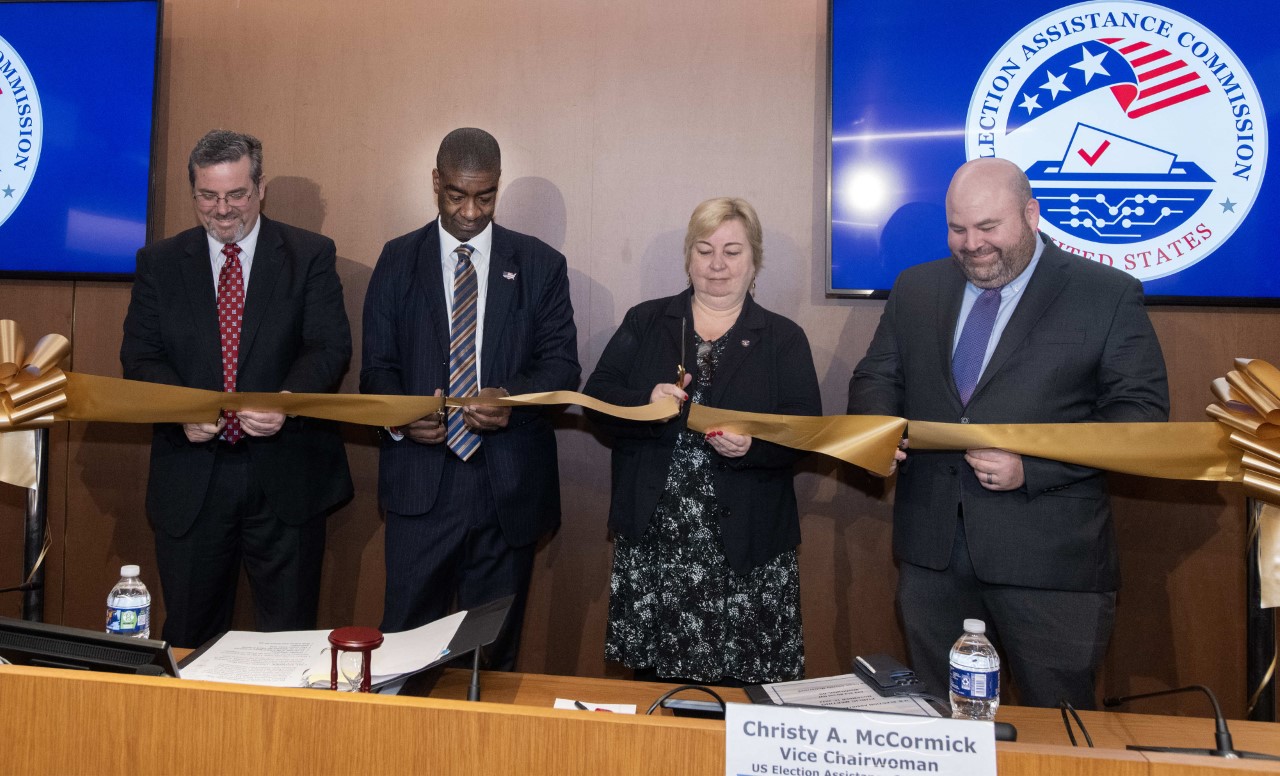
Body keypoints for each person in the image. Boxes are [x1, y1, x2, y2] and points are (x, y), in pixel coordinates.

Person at [847, 158, 1169, 709]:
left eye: (988, 227)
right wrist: (880, 431)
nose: (971, 244)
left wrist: (1034, 466)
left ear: (1031, 215)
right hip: (933, 558)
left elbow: (1139, 417)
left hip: (1049, 561)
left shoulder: (1105, 294)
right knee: (940, 724)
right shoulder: (916, 287)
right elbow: (877, 375)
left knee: (1057, 731)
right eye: (957, 228)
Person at [120, 129, 353, 648]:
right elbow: (139, 356)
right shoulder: (159, 262)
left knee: (290, 642)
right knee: (189, 638)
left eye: (236, 194)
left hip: (286, 476)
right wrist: (183, 409)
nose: (222, 210)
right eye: (208, 195)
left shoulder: (309, 254)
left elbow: (328, 347)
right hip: (192, 477)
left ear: (260, 188)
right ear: (193, 192)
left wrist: (287, 405)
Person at [360, 128, 580, 670]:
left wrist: (510, 397)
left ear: (498, 187)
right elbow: (376, 371)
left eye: (484, 197)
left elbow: (561, 368)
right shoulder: (397, 259)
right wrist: (406, 418)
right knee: (404, 654)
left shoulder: (539, 264)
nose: (469, 211)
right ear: (436, 182)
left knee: (491, 659)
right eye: (456, 195)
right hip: (420, 487)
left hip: (506, 487)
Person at [583, 198, 822, 685]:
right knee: (659, 698)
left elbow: (805, 431)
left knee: (745, 702)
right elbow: (596, 400)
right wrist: (646, 402)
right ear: (688, 256)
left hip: (748, 549)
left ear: (754, 261)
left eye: (732, 251)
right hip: (658, 546)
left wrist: (753, 447)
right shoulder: (645, 321)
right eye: (705, 249)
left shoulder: (783, 337)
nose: (717, 265)